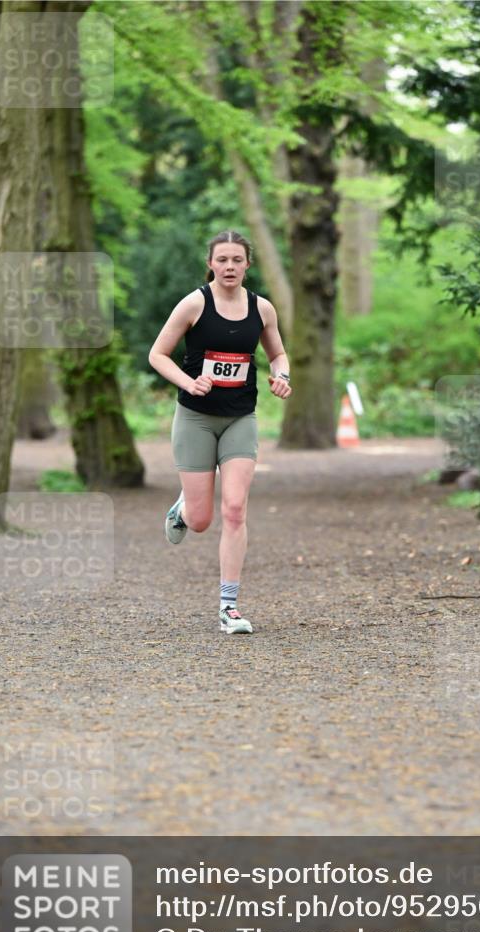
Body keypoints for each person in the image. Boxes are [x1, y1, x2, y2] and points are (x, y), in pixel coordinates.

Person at [148, 230, 292, 634]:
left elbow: (278, 354)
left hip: (240, 419)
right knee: (200, 521)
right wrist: (187, 382)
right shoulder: (194, 303)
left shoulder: (262, 308)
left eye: (237, 260)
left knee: (234, 509)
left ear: (248, 265)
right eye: (222, 259)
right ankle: (183, 509)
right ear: (210, 263)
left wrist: (282, 377)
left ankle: (229, 608)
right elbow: (157, 354)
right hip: (195, 418)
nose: (230, 266)